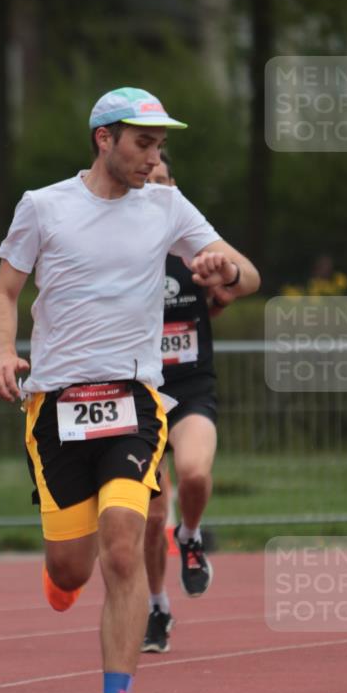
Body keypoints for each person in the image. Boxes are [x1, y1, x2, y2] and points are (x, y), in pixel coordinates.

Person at [0, 87, 260, 693]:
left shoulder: (166, 206)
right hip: (56, 408)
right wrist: (2, 353)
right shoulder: (43, 206)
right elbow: (4, 292)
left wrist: (224, 268)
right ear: (103, 138)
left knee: (122, 544)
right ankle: (61, 572)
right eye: (142, 143)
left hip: (135, 403)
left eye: (159, 146)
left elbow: (247, 275)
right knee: (72, 569)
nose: (152, 158)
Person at [141, 153, 245, 653]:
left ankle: (191, 535)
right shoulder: (120, 251)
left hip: (190, 388)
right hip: (139, 392)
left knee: (195, 474)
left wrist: (220, 281)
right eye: (147, 181)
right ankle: (157, 607)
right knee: (149, 514)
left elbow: (232, 289)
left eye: (163, 180)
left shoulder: (194, 246)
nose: (154, 188)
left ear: (174, 187)